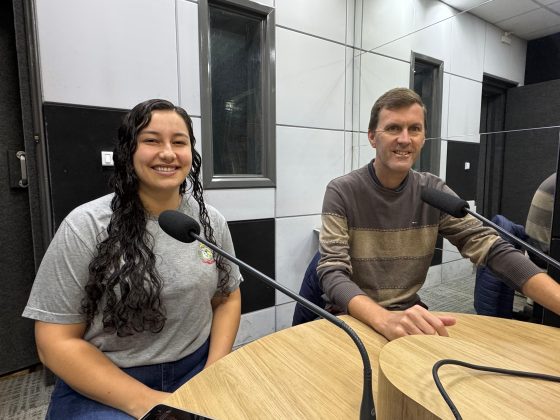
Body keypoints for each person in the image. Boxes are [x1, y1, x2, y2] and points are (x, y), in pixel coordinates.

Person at [22, 99, 242, 419]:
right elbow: (54, 341)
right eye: (152, 140)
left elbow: (228, 297)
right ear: (128, 151)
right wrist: (148, 402)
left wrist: (214, 373)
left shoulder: (210, 222)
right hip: (108, 378)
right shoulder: (86, 226)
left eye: (179, 142)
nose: (168, 153)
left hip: (197, 366)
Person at [317, 87, 560, 342]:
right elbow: (332, 272)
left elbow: (491, 248)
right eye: (393, 128)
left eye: (414, 129)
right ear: (372, 137)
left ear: (423, 138)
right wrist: (384, 319)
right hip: (349, 317)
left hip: (409, 315)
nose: (404, 139)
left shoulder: (432, 190)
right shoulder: (342, 191)